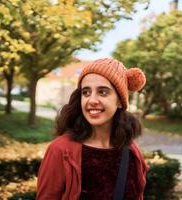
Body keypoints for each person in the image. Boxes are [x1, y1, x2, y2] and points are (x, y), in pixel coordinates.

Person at [36, 58, 149, 200]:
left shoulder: (132, 151)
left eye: (103, 92)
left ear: (120, 101)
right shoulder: (60, 150)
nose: (92, 100)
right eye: (86, 92)